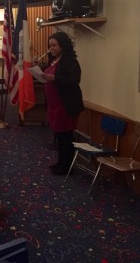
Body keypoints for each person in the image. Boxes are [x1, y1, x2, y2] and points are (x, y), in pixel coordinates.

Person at [41, 32, 84, 175]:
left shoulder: (70, 61)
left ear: (63, 46)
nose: (50, 48)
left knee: (66, 136)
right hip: (54, 104)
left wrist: (54, 78)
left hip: (66, 105)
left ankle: (67, 166)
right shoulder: (52, 60)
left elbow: (74, 81)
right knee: (59, 136)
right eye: (50, 46)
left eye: (54, 45)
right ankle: (60, 162)